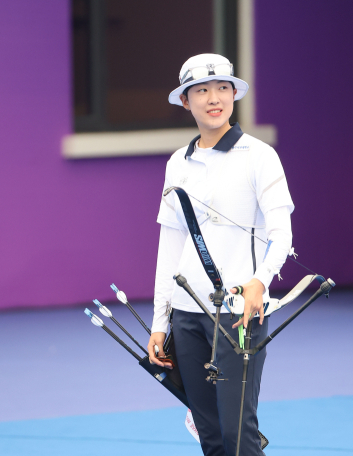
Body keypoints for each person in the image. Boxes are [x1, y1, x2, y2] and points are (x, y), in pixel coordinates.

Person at [146, 54, 293, 455]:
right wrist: (160, 321)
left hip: (239, 313)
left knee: (237, 433)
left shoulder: (259, 156)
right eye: (202, 91)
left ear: (233, 95)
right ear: (185, 101)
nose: (214, 98)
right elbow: (170, 246)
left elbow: (282, 233)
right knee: (209, 435)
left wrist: (259, 281)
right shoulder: (179, 162)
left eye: (223, 88)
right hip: (188, 313)